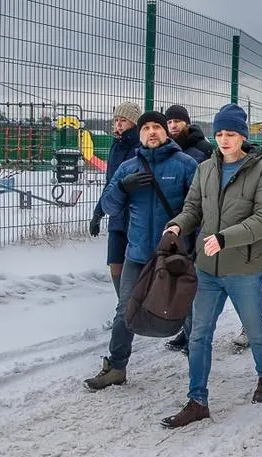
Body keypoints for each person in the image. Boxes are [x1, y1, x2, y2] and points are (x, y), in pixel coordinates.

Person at [161, 103, 262, 428]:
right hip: (207, 268)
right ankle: (197, 400)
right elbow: (193, 208)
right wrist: (176, 226)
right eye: (220, 134)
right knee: (199, 334)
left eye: (231, 134)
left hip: (244, 267)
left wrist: (226, 238)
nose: (224, 140)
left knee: (254, 327)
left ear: (243, 136)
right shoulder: (206, 169)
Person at [83, 111, 198, 390]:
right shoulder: (127, 168)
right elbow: (110, 207)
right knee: (125, 311)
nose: (152, 132)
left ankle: (198, 366)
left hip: (174, 255)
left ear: (166, 132)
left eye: (157, 126)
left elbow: (199, 207)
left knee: (186, 311)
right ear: (141, 133)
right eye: (146, 128)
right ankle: (116, 367)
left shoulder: (186, 165)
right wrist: (122, 187)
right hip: (136, 254)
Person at [163, 105, 215, 354]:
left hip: (196, 224)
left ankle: (198, 337)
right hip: (176, 222)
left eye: (177, 121)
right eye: (169, 122)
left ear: (187, 122)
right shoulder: (168, 149)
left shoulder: (202, 150)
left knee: (194, 285)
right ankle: (188, 332)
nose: (172, 126)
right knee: (180, 283)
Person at [89, 101, 142, 296]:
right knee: (115, 262)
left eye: (123, 120)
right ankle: (124, 306)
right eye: (116, 120)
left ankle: (134, 308)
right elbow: (109, 183)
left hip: (136, 216)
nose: (118, 125)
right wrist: (98, 213)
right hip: (116, 215)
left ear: (134, 123)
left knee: (135, 265)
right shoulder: (115, 146)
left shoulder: (141, 147)